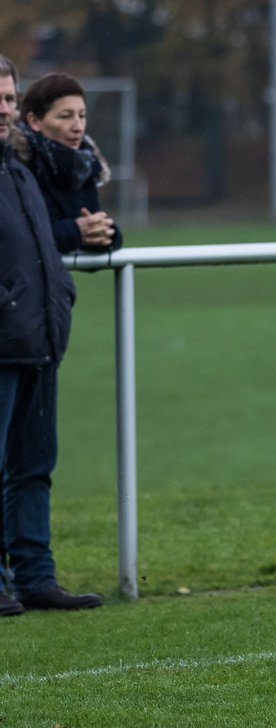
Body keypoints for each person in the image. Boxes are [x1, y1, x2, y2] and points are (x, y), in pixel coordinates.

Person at [0, 55, 102, 615]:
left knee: (36, 465)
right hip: (5, 337)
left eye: (10, 99)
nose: (4, 109)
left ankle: (36, 577)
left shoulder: (18, 171)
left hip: (38, 339)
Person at [14, 72, 121, 254]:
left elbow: (91, 229)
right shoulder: (14, 167)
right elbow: (17, 240)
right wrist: (76, 232)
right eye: (65, 116)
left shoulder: (83, 165)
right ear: (34, 121)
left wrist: (106, 234)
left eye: (82, 115)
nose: (78, 126)